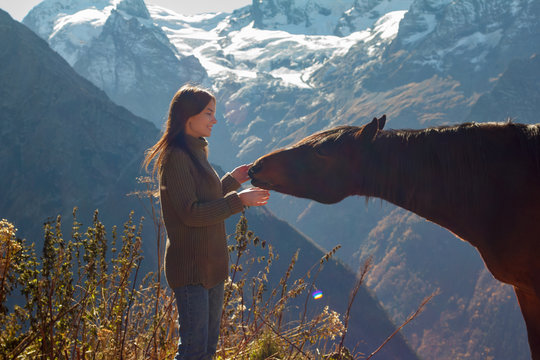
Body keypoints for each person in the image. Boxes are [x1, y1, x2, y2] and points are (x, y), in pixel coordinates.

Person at [143, 84, 270, 360]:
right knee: (193, 351)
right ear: (189, 117)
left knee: (207, 350)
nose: (215, 120)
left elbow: (204, 199)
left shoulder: (196, 151)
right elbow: (191, 212)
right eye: (209, 113)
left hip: (211, 268)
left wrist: (232, 181)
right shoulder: (176, 157)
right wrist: (239, 201)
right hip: (191, 271)